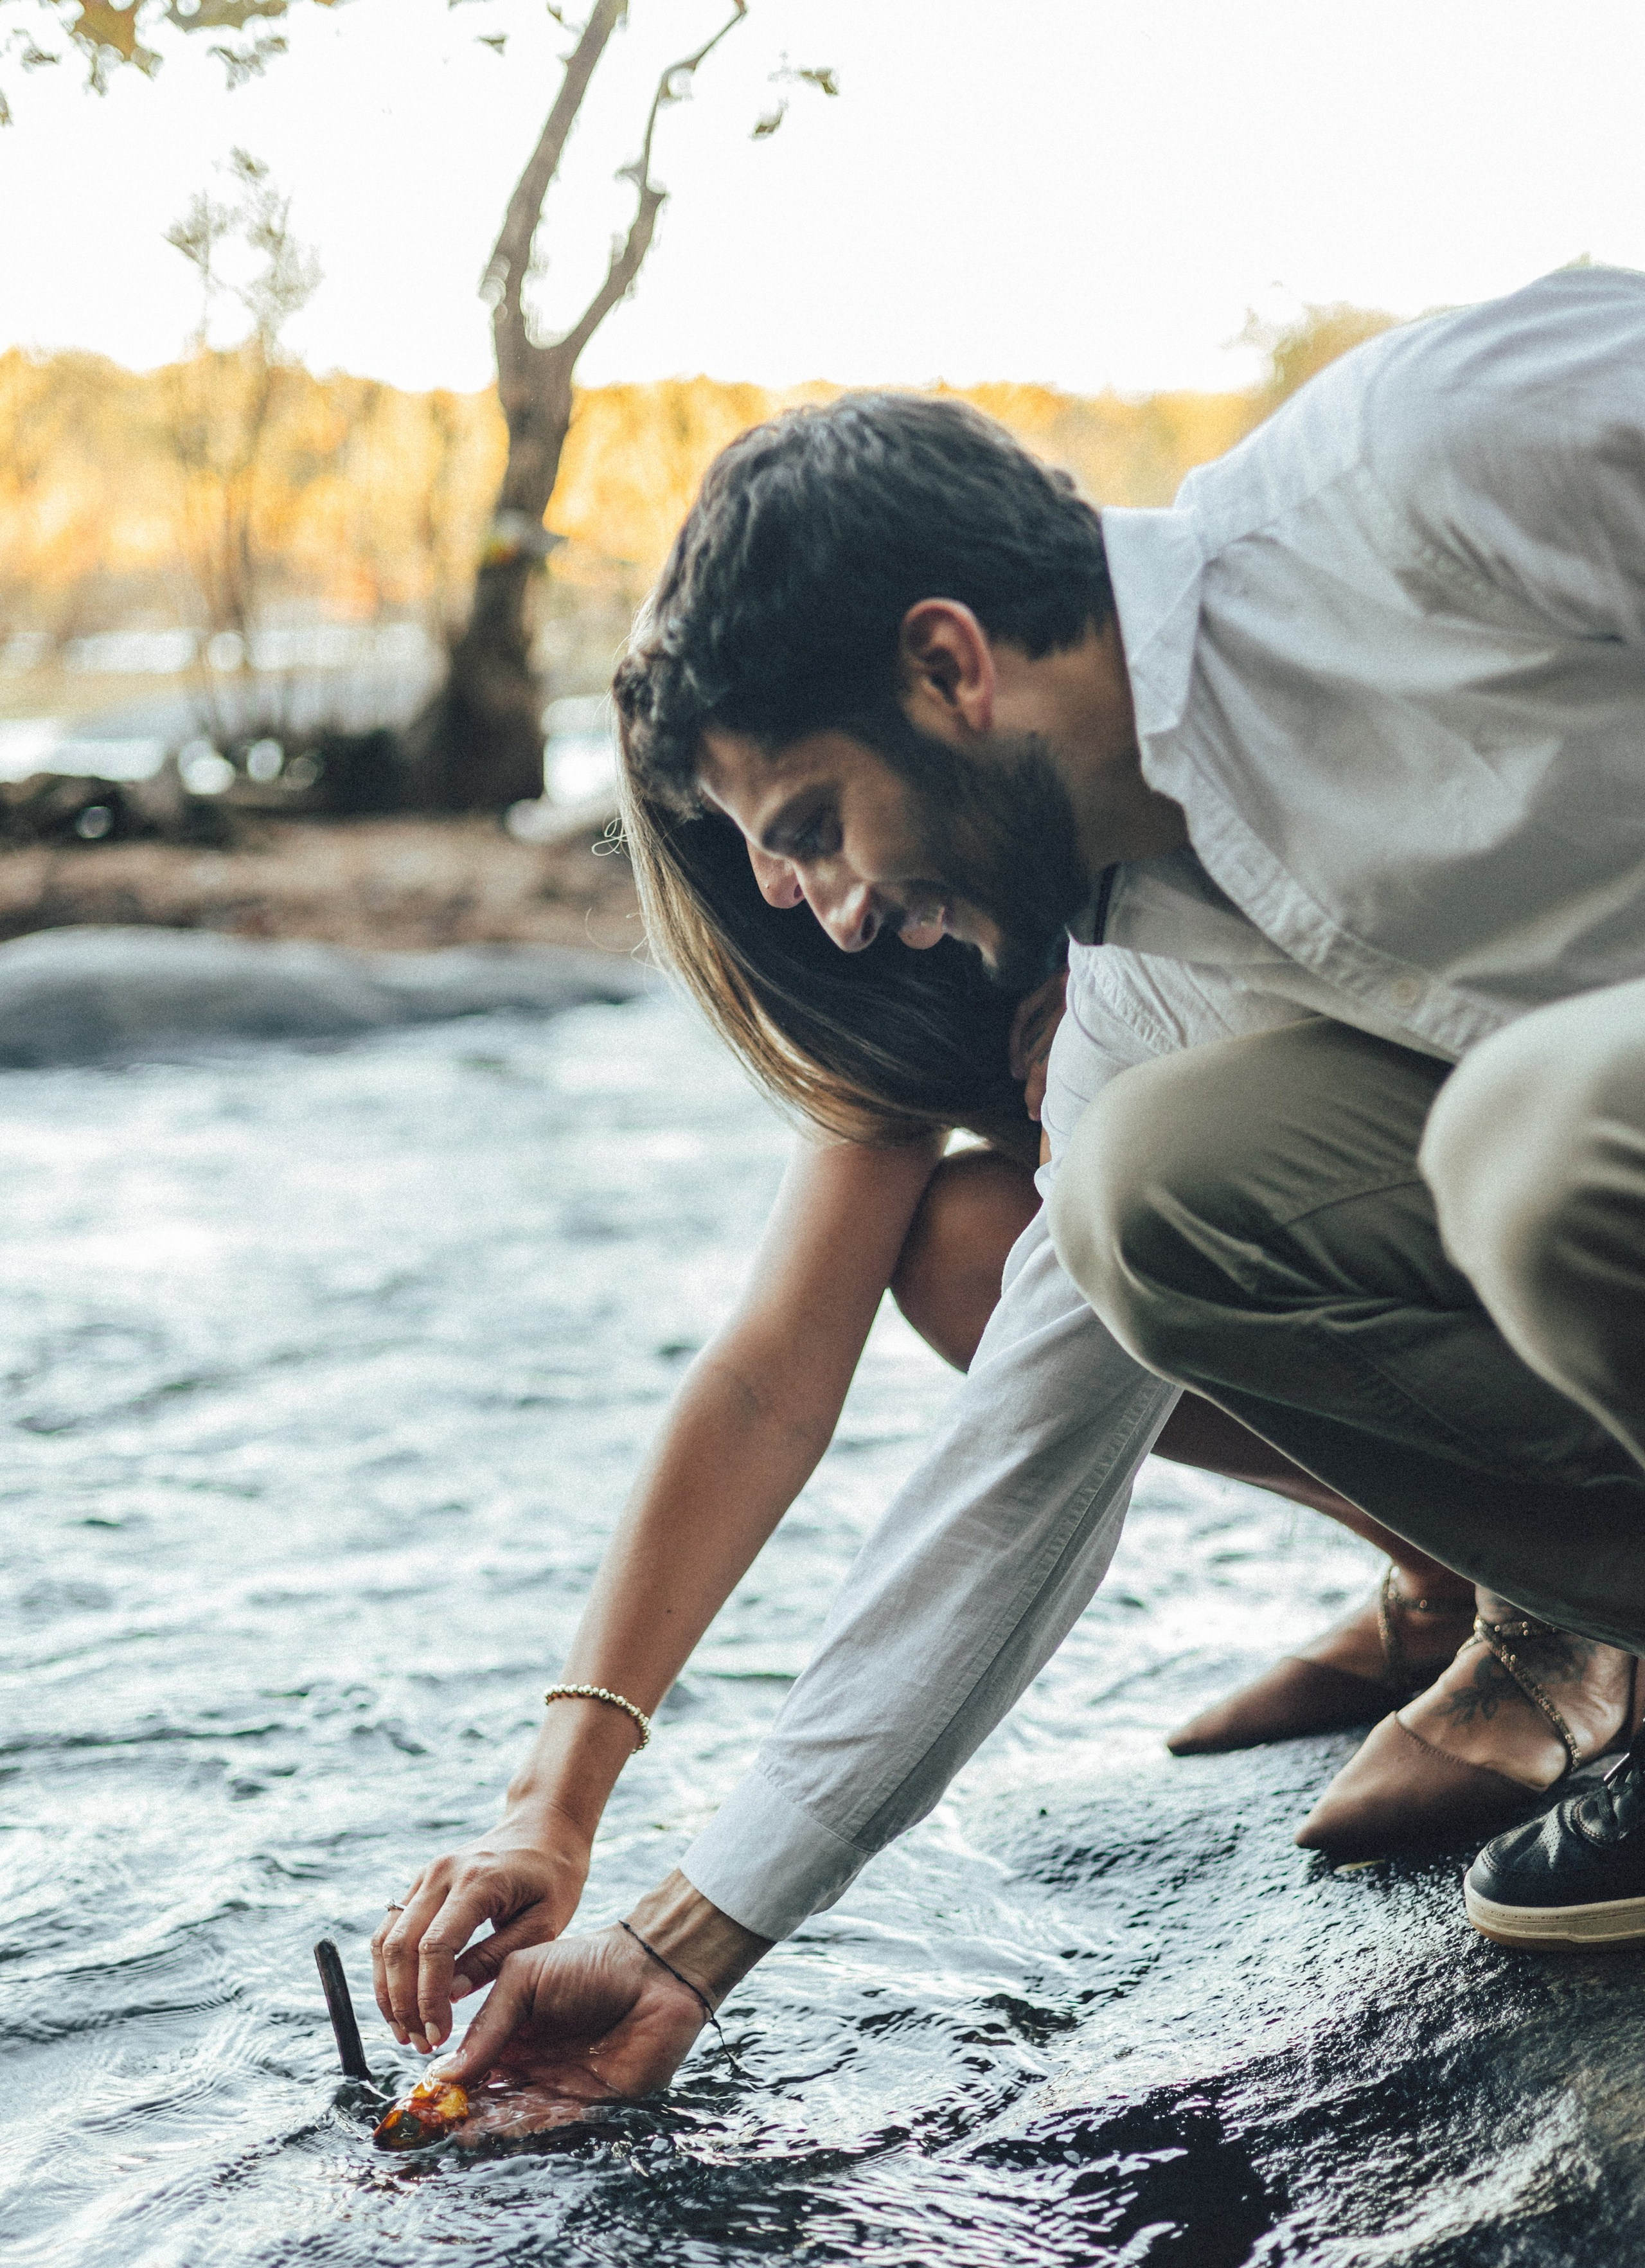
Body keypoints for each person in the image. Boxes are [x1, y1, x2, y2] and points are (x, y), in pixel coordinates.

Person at [402, 265, 1645, 2123]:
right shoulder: (1133, 998)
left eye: (812, 826)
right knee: (1145, 1196)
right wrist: (678, 1943)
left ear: (950, 667)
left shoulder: (1437, 455)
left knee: (1534, 1137)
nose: (819, 907)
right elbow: (1010, 1480)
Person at [371, 860, 1474, 2069]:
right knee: (966, 1247)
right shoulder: (863, 933)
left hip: (1491, 1152)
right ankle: (1443, 1568)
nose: (817, 900)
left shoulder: (1148, 854)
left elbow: (1039, 1444)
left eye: (809, 828)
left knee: (1125, 1185)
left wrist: (688, 1936)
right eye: (762, 858)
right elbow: (768, 1377)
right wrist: (555, 1804)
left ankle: (1559, 1596)